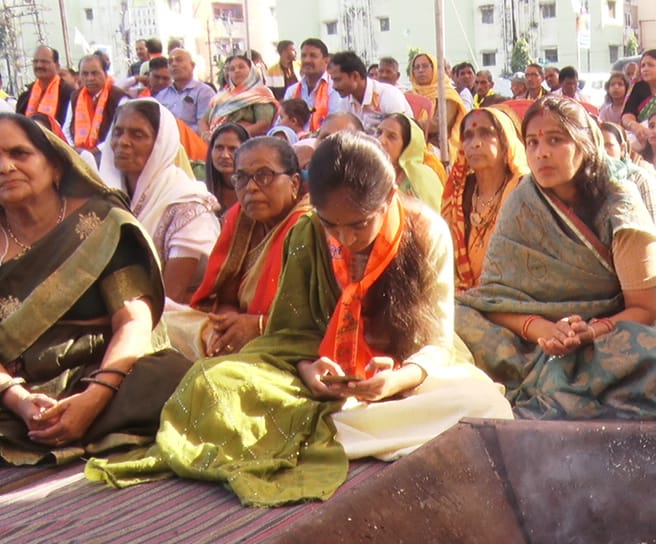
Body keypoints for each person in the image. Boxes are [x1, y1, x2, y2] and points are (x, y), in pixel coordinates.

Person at [87, 131, 513, 506]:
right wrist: (311, 371)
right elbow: (289, 333)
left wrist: (397, 379)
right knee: (210, 382)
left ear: (388, 200)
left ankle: (320, 433)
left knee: (483, 402)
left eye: (359, 225)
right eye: (333, 226)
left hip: (410, 374)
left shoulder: (427, 231)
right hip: (319, 378)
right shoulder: (307, 231)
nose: (344, 239)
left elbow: (436, 344)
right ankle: (348, 431)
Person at [455, 96, 656, 419]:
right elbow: (493, 300)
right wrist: (540, 329)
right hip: (529, 343)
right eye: (533, 142)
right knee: (453, 317)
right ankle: (551, 381)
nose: (542, 153)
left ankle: (552, 384)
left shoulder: (619, 202)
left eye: (556, 140)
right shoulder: (523, 200)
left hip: (602, 338)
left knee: (655, 351)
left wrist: (590, 331)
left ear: (584, 143)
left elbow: (646, 310)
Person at [0, 112, 190, 465]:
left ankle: (80, 422)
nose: (5, 167)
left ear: (55, 165)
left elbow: (133, 320)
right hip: (16, 390)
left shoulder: (101, 222)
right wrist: (18, 399)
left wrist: (95, 397)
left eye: (19, 154)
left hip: (102, 371)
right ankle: (45, 425)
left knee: (170, 379)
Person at [165, 136, 310, 360]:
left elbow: (313, 319)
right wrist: (228, 325)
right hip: (236, 332)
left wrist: (257, 327)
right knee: (158, 322)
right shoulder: (242, 217)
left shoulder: (309, 227)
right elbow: (225, 298)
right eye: (241, 178)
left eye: (264, 176)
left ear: (294, 183)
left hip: (288, 345)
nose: (251, 187)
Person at [99, 99, 220, 303]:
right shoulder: (106, 198)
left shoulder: (187, 205)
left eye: (137, 135)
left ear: (160, 145)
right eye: (118, 132)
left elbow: (170, 297)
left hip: (174, 319)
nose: (123, 142)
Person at [442, 107, 528, 291]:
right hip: (462, 297)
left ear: (506, 144)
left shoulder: (524, 191)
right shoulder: (458, 192)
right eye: (468, 136)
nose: (475, 143)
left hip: (510, 297)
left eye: (486, 134)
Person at [601, 121, 656, 281]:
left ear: (622, 149)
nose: (603, 152)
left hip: (646, 245)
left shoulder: (639, 176)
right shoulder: (589, 179)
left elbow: (655, 230)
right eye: (598, 146)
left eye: (608, 146)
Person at [327, 51, 411, 135]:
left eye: (337, 80)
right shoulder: (345, 100)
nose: (334, 86)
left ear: (355, 76)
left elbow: (398, 137)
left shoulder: (388, 95)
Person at [375, 112, 445, 210]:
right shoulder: (371, 174)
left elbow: (434, 220)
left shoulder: (422, 178)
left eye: (391, 136)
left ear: (407, 147)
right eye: (379, 133)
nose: (380, 140)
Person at [201, 54, 278, 138]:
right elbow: (203, 121)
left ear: (252, 70)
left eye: (241, 67)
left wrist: (234, 135)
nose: (236, 71)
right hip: (217, 140)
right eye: (232, 69)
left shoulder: (261, 94)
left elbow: (263, 124)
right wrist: (206, 134)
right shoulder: (221, 96)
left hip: (247, 143)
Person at [66, 54, 128, 153]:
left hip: (110, 152)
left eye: (95, 73)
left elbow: (120, 132)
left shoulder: (119, 98)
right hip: (78, 152)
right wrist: (73, 148)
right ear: (79, 77)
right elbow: (67, 128)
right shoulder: (76, 96)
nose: (90, 78)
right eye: (85, 74)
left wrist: (96, 150)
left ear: (105, 74)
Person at [406, 52, 465, 156]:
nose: (420, 70)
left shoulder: (447, 94)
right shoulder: (408, 95)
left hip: (439, 146)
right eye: (416, 67)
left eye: (425, 66)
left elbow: (440, 123)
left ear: (434, 69)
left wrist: (408, 124)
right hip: (409, 142)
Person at [155, 49, 214, 132]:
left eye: (179, 60)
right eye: (170, 62)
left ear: (192, 65)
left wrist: (176, 131)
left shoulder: (204, 92)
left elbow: (205, 127)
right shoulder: (161, 96)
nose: (174, 64)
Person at [16, 46, 75, 130]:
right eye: (35, 61)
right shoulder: (25, 97)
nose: (39, 65)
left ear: (57, 66)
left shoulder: (69, 94)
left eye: (44, 62)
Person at [282, 38, 332, 133]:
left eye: (313, 56)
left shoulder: (334, 88)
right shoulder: (292, 90)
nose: (307, 60)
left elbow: (334, 124)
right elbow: (281, 122)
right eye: (304, 56)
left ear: (326, 60)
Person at [206, 122, 249, 215]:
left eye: (233, 149)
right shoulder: (202, 192)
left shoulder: (254, 193)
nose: (225, 155)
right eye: (219, 147)